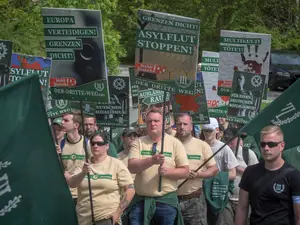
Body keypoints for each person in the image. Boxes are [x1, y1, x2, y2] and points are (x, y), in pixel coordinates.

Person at [128, 108, 189, 225]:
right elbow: (132, 167)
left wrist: (168, 172)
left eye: (156, 121)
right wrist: (151, 160)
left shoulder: (175, 143)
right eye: (149, 121)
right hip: (141, 201)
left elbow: (185, 172)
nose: (153, 124)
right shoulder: (138, 142)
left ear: (164, 123)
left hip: (166, 202)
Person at [235, 125, 300, 225]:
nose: (266, 148)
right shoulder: (250, 172)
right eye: (263, 144)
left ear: (282, 146)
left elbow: (298, 216)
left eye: (271, 144)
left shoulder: (293, 175)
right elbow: (242, 208)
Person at [68, 131, 135, 225]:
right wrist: (83, 173)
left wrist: (117, 213)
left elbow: (130, 190)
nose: (95, 146)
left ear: (107, 146)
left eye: (99, 143)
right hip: (84, 219)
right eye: (93, 143)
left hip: (107, 218)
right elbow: (72, 183)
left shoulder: (116, 164)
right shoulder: (83, 164)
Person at [176, 113, 218, 225]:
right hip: (171, 199)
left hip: (194, 200)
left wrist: (198, 174)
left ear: (191, 126)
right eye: (179, 124)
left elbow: (214, 169)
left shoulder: (202, 145)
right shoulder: (168, 143)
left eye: (185, 124)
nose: (182, 127)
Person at [202, 117, 239, 225]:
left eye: (210, 130)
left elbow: (233, 173)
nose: (208, 133)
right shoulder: (198, 146)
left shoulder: (224, 148)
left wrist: (214, 177)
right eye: (205, 130)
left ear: (217, 130)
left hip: (218, 192)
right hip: (201, 193)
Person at [222, 128, 258, 225]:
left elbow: (257, 175)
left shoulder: (248, 154)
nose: (229, 144)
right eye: (226, 140)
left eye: (231, 140)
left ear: (238, 139)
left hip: (244, 202)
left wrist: (238, 168)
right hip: (226, 201)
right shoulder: (222, 153)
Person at [56, 113, 91, 205]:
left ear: (76, 125)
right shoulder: (60, 144)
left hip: (82, 194)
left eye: (66, 120)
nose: (62, 122)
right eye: (62, 120)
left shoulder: (87, 143)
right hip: (65, 194)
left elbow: (93, 166)